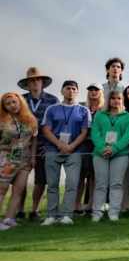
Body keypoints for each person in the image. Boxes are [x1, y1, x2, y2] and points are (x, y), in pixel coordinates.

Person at [40, 80, 91, 225]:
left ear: (77, 92)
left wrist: (71, 146)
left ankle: (67, 215)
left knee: (72, 183)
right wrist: (59, 144)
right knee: (52, 184)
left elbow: (84, 131)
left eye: (74, 89)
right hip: (53, 150)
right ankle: (51, 215)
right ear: (62, 91)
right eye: (67, 88)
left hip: (74, 151)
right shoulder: (52, 109)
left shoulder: (83, 110)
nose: (71, 91)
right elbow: (46, 129)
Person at [18, 67, 57, 221]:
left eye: (37, 80)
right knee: (20, 181)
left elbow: (57, 122)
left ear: (42, 83)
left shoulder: (53, 100)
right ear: (27, 84)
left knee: (41, 180)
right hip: (23, 146)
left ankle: (34, 210)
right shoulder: (20, 100)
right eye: (31, 81)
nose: (34, 83)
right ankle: (19, 210)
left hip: (45, 146)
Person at [89, 89, 129, 222]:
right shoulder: (100, 115)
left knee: (116, 184)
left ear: (122, 100)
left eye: (119, 98)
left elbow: (128, 136)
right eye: (113, 98)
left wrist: (114, 148)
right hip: (100, 153)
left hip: (120, 154)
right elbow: (95, 133)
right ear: (108, 100)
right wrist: (102, 148)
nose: (116, 101)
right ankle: (96, 213)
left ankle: (113, 212)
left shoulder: (128, 116)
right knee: (100, 184)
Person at [0, 93, 37, 230]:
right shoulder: (2, 121)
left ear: (20, 102)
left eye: (14, 102)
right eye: (8, 104)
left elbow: (34, 140)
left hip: (25, 160)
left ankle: (9, 218)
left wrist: (33, 157)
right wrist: (7, 146)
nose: (12, 105)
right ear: (4, 107)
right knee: (2, 190)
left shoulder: (31, 119)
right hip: (8, 160)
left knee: (19, 190)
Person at [74, 84, 105, 214]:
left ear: (100, 92)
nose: (93, 92)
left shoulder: (104, 109)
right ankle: (76, 204)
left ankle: (91, 204)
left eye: (96, 90)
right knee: (80, 175)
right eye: (91, 90)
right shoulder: (81, 107)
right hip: (83, 144)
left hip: (97, 145)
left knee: (94, 175)